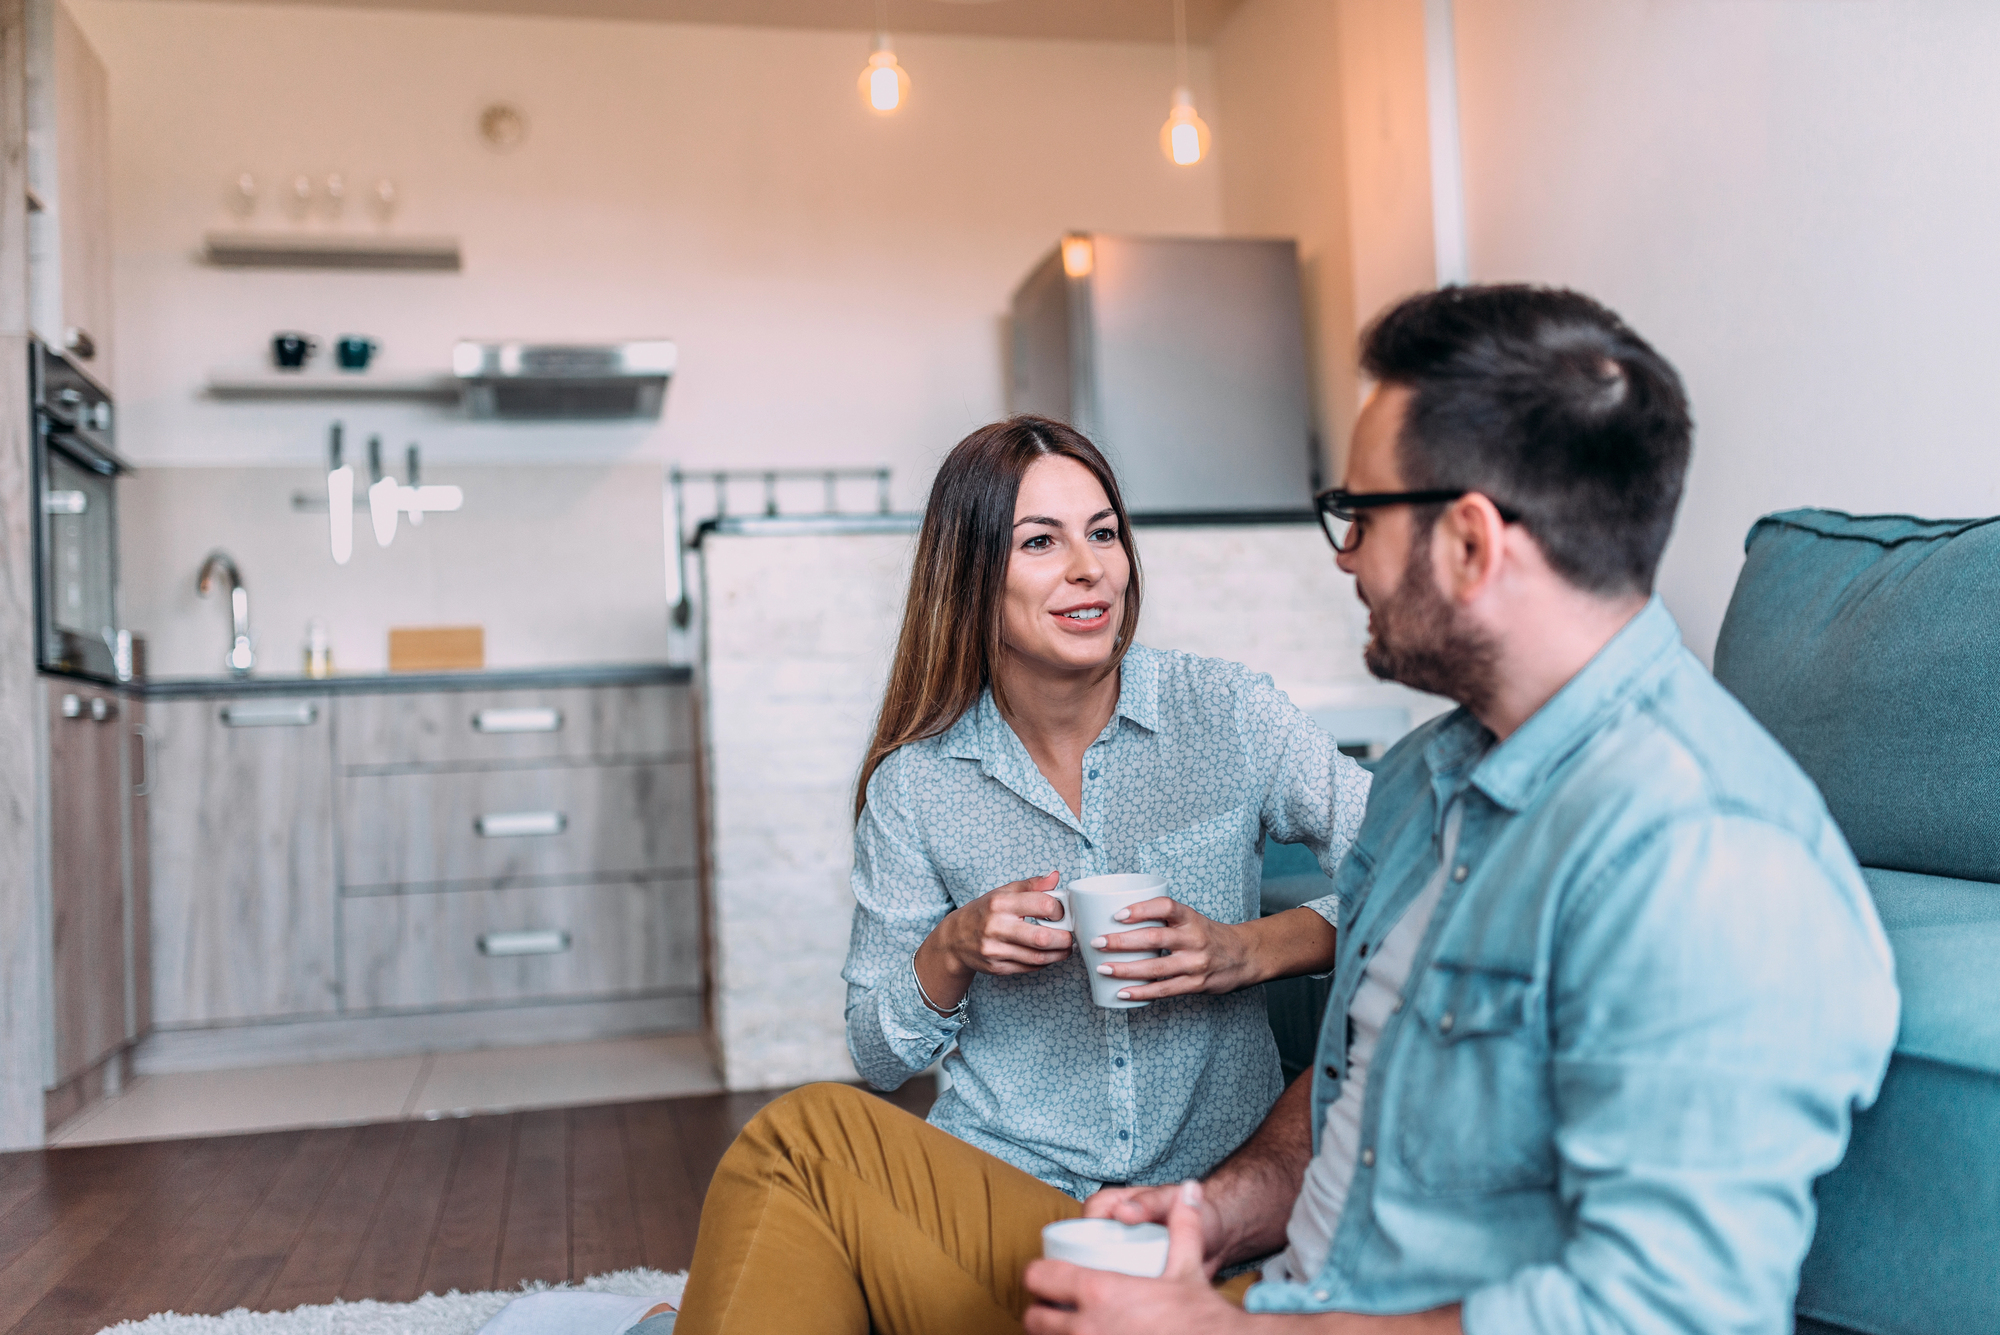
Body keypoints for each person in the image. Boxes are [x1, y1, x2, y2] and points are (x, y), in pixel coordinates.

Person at [652, 286, 1898, 1335]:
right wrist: (1223, 1209)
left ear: (1466, 542)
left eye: (1357, 514)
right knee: (807, 1151)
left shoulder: (1706, 860)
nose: (1340, 552)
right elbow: (1352, 1090)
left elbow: (1662, 1314)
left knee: (797, 1172)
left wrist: (1219, 1326)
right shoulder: (1427, 786)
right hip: (1242, 1276)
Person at [839, 414, 1370, 1199]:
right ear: (972, 573)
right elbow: (877, 1058)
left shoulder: (1226, 712)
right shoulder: (918, 784)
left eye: (1104, 533)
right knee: (803, 1144)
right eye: (1040, 541)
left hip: (1220, 1200)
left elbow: (1423, 867)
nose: (1090, 568)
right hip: (1005, 1191)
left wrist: (1247, 949)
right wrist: (951, 948)